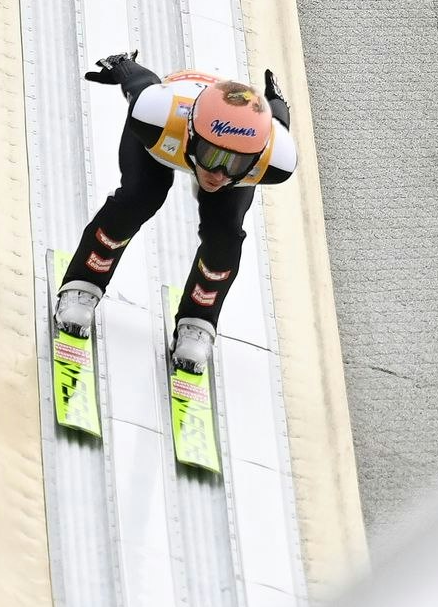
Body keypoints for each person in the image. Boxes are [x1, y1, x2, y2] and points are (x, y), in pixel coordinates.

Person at [54, 53, 294, 371]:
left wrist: (275, 100)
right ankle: (83, 283)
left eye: (235, 162)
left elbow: (278, 121)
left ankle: (199, 319)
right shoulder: (155, 114)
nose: (219, 174)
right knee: (140, 197)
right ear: (192, 134)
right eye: (212, 155)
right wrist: (120, 64)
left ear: (256, 157)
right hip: (171, 128)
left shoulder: (275, 157)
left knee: (225, 234)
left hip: (194, 138)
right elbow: (138, 79)